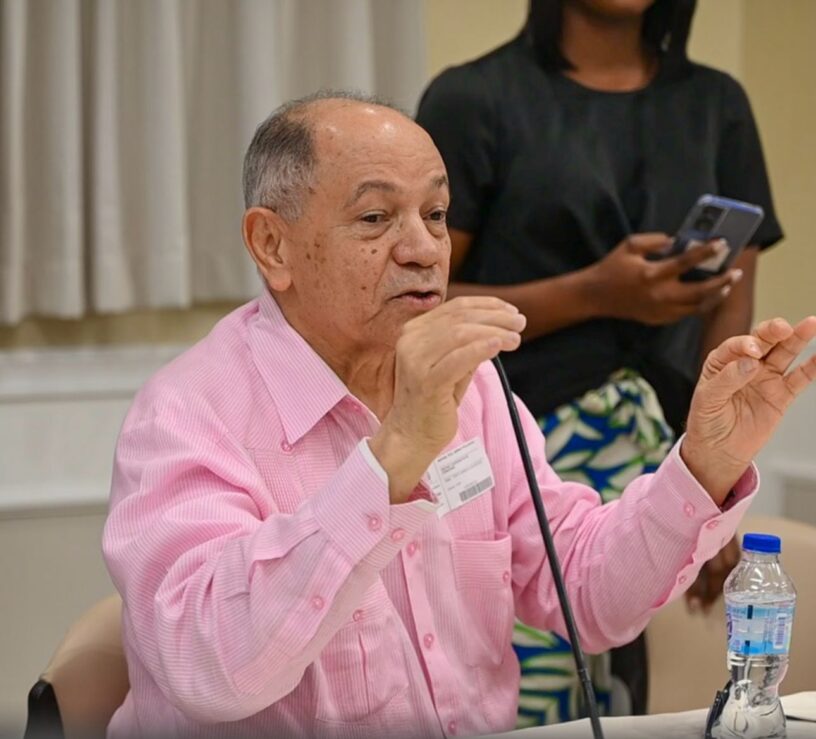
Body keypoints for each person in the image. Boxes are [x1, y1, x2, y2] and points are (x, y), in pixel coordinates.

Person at [101, 91, 815, 739]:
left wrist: (707, 459)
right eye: (376, 218)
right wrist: (394, 459)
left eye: (437, 215)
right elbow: (212, 669)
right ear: (272, 245)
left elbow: (586, 590)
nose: (423, 250)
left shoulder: (472, 390)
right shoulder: (187, 413)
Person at [415, 0, 784, 723]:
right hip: (517, 445)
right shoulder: (473, 98)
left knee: (640, 701)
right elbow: (421, 301)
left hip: (669, 445)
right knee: (534, 699)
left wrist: (706, 476)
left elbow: (730, 311)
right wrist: (593, 293)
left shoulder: (717, 105)